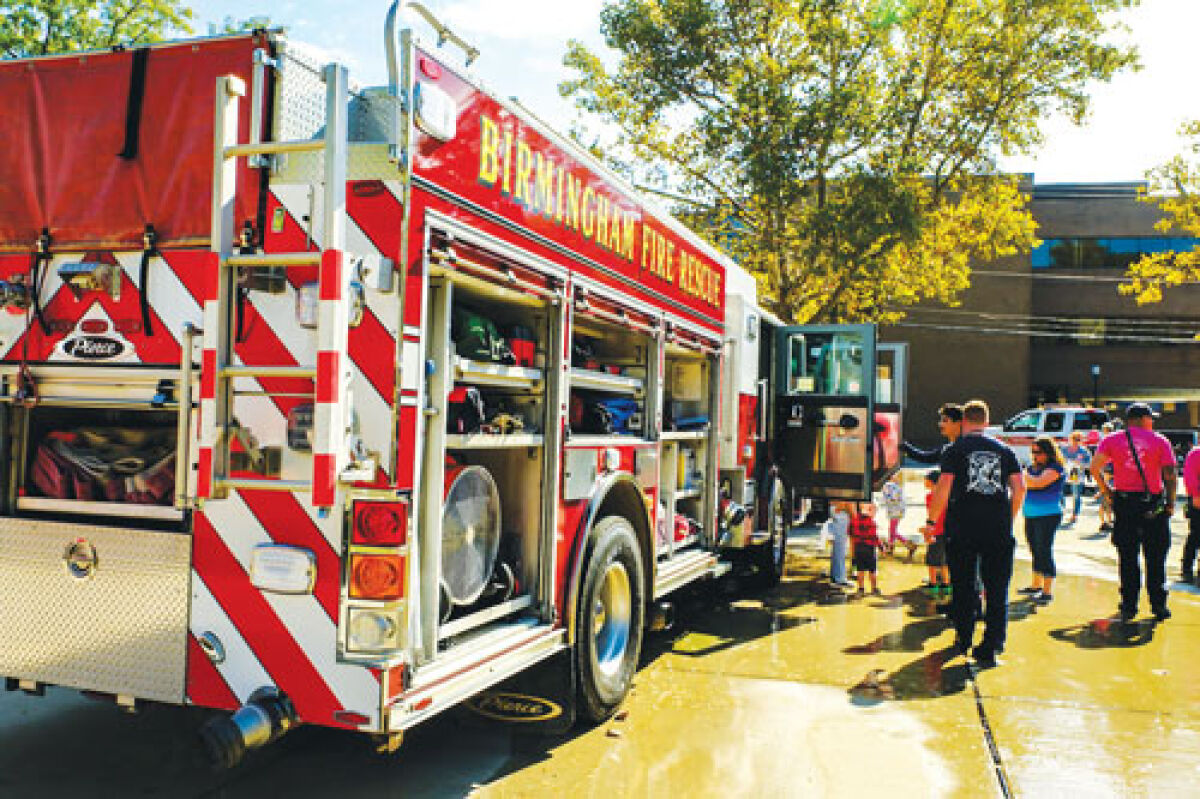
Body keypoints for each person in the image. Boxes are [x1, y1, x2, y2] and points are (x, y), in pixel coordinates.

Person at [929, 399, 1025, 668]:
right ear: (986, 420)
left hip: (963, 527)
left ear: (963, 421)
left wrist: (930, 520)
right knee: (997, 589)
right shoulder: (1005, 451)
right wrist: (1009, 517)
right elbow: (1019, 488)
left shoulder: (954, 450)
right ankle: (992, 644)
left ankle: (964, 636)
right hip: (997, 528)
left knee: (964, 585)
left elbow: (944, 487)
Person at [1090, 402, 1178, 622]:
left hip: (1125, 502)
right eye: (1150, 418)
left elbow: (1094, 467)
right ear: (1140, 419)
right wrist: (1170, 502)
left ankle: (1129, 604)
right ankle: (1158, 605)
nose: (1153, 422)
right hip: (1152, 504)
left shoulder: (1111, 440)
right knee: (1156, 556)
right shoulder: (1159, 440)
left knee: (1127, 556)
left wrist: (1106, 490)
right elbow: (1170, 475)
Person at [1020, 436, 1065, 603]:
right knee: (1034, 549)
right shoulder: (1032, 468)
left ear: (1048, 452)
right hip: (1031, 514)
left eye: (1038, 452)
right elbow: (1026, 483)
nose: (1034, 455)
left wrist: (1025, 477)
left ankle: (1047, 591)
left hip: (1048, 514)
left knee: (1044, 549)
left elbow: (1039, 483)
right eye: (1033, 452)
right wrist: (1027, 478)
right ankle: (1035, 585)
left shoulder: (1056, 468)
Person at [921, 469, 950, 598]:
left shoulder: (930, 497)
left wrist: (927, 530)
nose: (924, 482)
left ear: (932, 482)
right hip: (946, 531)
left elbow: (932, 516)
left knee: (932, 561)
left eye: (926, 480)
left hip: (935, 532)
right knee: (944, 561)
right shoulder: (947, 495)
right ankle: (946, 585)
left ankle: (933, 585)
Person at [848, 502, 884, 596]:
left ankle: (861, 589)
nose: (875, 514)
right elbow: (874, 537)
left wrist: (852, 551)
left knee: (860, 570)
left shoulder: (854, 520)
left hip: (858, 548)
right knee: (872, 570)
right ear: (868, 510)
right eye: (874, 511)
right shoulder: (871, 522)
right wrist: (881, 547)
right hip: (869, 548)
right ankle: (874, 589)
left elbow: (850, 533)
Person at [1062, 431, 1092, 526]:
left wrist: (1080, 464)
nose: (1076, 441)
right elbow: (1058, 460)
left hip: (1077, 475)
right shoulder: (1064, 449)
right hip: (1064, 474)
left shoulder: (1084, 451)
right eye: (1074, 439)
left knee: (1076, 495)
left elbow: (1089, 464)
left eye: (1078, 439)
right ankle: (1062, 511)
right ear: (1070, 439)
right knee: (1060, 493)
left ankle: (1075, 514)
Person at [880, 476, 914, 559]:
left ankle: (909, 545)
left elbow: (891, 498)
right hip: (898, 509)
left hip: (894, 510)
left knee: (892, 530)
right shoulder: (894, 485)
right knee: (892, 529)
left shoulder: (888, 485)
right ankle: (890, 547)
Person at [1181, 443, 1200, 584]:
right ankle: (1187, 568)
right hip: (1197, 499)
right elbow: (1190, 477)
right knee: (1195, 535)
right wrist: (1195, 496)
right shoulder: (1195, 454)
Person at [823, 501, 853, 587]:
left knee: (838, 548)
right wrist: (853, 516)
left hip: (838, 510)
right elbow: (848, 501)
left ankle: (836, 576)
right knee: (840, 548)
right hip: (841, 511)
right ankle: (839, 578)